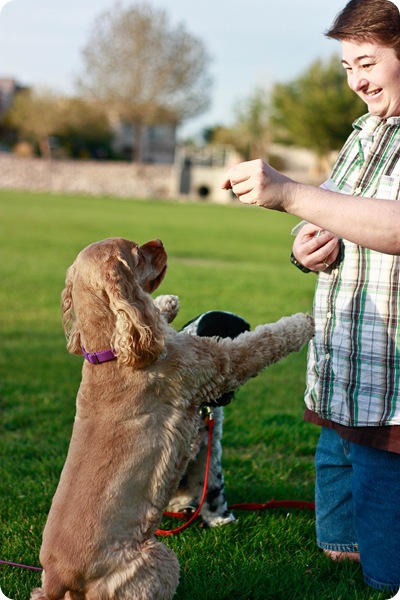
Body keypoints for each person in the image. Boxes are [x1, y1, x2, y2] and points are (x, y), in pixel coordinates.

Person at [222, 0, 400, 593]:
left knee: (385, 576)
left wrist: (290, 194)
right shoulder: (367, 131)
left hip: (394, 394)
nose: (356, 81)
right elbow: (337, 211)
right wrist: (303, 247)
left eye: (368, 62)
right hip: (345, 378)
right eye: (347, 67)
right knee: (338, 555)